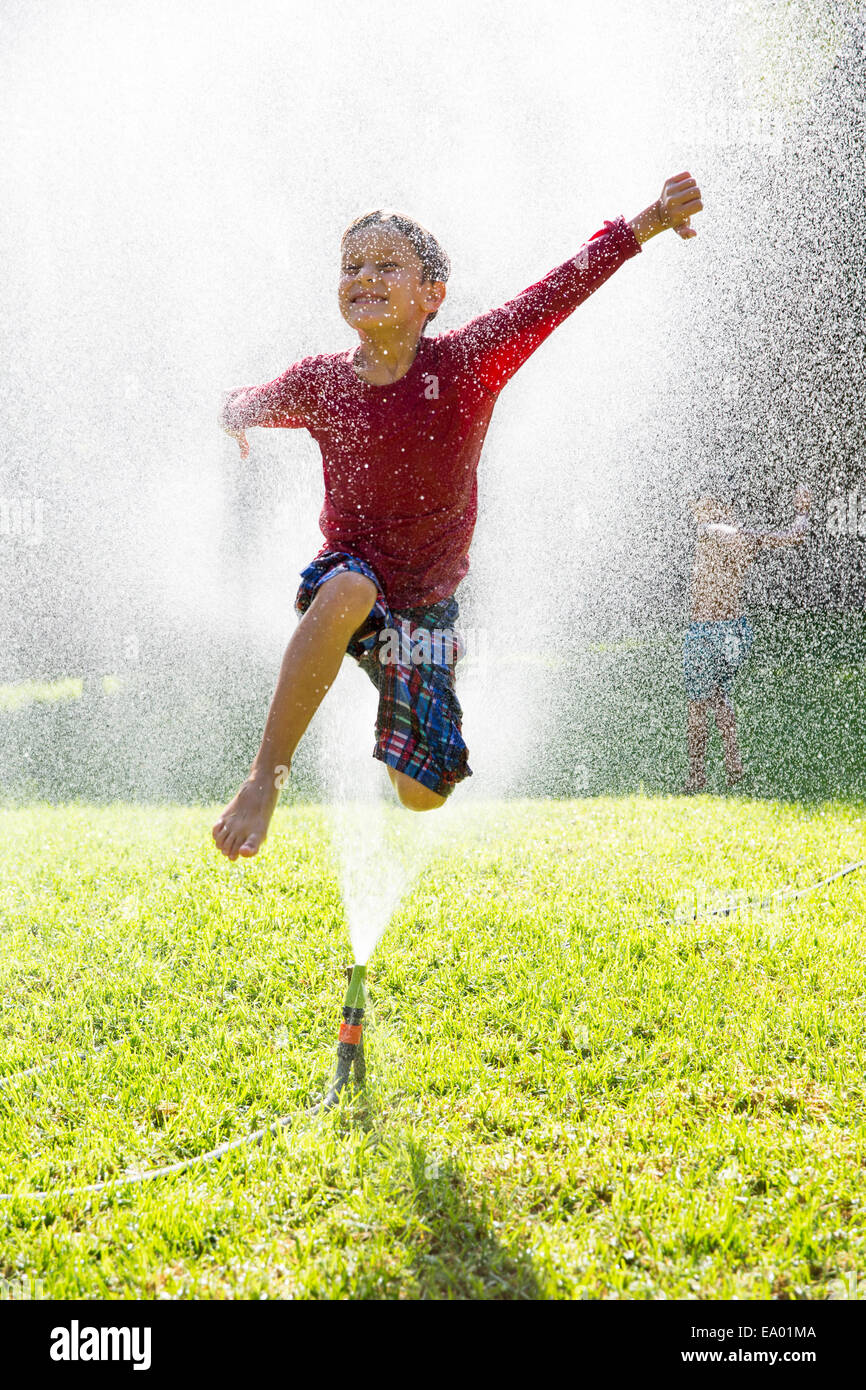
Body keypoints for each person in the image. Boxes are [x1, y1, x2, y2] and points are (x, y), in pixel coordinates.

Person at [213, 173, 704, 861]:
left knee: (422, 793)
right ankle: (266, 778)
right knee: (351, 588)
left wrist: (647, 221)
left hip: (425, 612)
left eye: (388, 264)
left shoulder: (469, 363)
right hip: (346, 577)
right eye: (352, 266)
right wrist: (232, 415)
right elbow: (251, 401)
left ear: (433, 295)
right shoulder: (322, 382)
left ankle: (390, 674)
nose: (365, 276)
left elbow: (555, 293)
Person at [683, 482, 812, 793]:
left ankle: (697, 776)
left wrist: (725, 530)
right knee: (717, 695)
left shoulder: (712, 531)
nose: (699, 511)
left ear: (723, 509)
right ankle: (733, 765)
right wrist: (802, 513)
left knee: (698, 704)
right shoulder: (743, 537)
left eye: (706, 504)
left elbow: (717, 531)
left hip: (708, 632)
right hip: (736, 632)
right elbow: (794, 536)